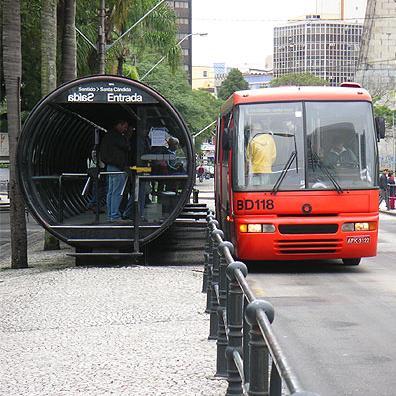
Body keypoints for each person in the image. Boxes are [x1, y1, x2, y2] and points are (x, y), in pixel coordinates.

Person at [99, 119, 130, 222]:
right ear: (119, 124)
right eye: (125, 127)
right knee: (117, 192)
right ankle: (115, 215)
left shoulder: (108, 136)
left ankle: (110, 215)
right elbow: (126, 146)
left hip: (109, 167)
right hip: (117, 167)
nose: (125, 129)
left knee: (111, 192)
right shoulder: (117, 137)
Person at [246, 121, 277, 186]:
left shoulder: (252, 141)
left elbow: (248, 158)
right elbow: (273, 156)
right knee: (266, 190)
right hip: (267, 171)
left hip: (255, 172)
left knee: (255, 191)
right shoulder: (270, 139)